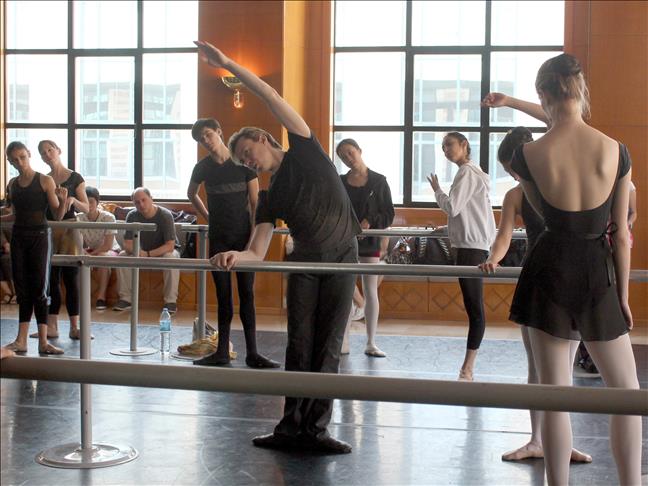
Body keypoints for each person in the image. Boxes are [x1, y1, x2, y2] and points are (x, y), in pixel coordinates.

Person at [196, 40, 360, 454]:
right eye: (242, 160)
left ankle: (316, 430)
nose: (247, 161)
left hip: (342, 259)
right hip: (305, 262)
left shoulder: (306, 149)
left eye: (247, 153)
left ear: (264, 138)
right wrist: (236, 255)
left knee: (328, 347)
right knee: (298, 345)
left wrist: (228, 62)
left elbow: (269, 94)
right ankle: (290, 428)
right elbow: (257, 249)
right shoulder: (270, 196)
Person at [504, 53, 640, 485]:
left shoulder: (527, 154)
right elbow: (621, 234)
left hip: (549, 269)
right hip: (598, 271)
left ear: (542, 94)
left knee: (554, 394)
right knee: (627, 395)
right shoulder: (616, 150)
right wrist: (622, 296)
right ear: (581, 90)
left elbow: (543, 213)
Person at [478, 126, 591, 463]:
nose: (515, 175)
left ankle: (560, 441)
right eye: (511, 170)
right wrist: (493, 258)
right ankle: (537, 440)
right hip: (537, 282)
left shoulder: (563, 184)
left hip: (571, 282)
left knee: (564, 368)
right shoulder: (516, 195)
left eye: (514, 167)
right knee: (537, 367)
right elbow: (503, 236)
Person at [187, 117, 279, 369]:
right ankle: (221, 352)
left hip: (243, 239)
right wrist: (208, 216)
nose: (206, 141)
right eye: (201, 139)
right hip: (218, 238)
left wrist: (252, 241)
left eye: (208, 135)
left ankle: (253, 353)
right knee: (223, 298)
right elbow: (191, 194)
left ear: (218, 131)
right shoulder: (202, 168)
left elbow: (255, 203)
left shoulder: (243, 164)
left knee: (247, 295)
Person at [427, 132, 496, 381]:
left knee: (474, 308)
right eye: (443, 147)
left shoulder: (466, 172)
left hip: (471, 249)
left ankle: (467, 368)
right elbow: (472, 212)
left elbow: (453, 207)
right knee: (473, 307)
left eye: (449, 145)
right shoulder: (474, 172)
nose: (445, 150)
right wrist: (447, 228)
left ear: (464, 145)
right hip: (473, 245)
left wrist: (437, 191)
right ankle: (468, 367)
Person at [1, 141, 67, 355]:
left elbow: (57, 215)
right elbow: (14, 215)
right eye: (15, 160)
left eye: (22, 157)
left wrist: (63, 201)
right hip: (19, 237)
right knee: (22, 288)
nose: (20, 162)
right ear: (10, 162)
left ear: (29, 154)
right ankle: (21, 340)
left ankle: (43, 341)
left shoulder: (45, 180)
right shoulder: (12, 184)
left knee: (39, 288)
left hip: (40, 237)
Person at [337, 138, 394, 357]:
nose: (348, 158)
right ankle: (343, 340)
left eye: (350, 152)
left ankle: (371, 342)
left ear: (359, 151)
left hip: (370, 241)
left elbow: (388, 213)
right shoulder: (341, 181)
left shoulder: (379, 181)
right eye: (343, 156)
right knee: (344, 290)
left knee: (371, 290)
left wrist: (370, 221)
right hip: (345, 241)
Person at [33, 139, 89, 340]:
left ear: (58, 150)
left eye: (50, 150)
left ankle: (75, 326)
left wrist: (72, 200)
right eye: (43, 152)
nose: (47, 155)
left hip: (70, 228)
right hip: (50, 228)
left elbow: (87, 207)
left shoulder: (75, 177)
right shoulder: (44, 179)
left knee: (71, 277)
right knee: (51, 279)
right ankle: (52, 325)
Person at [113, 188, 180, 313]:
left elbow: (170, 246)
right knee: (122, 256)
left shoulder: (165, 215)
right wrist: (139, 252)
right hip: (142, 251)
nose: (141, 205)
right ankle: (126, 299)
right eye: (137, 202)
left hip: (163, 252)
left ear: (151, 199)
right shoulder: (132, 215)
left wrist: (147, 254)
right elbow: (127, 244)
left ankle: (170, 301)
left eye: (144, 200)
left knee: (170, 257)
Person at [78, 186, 121, 310]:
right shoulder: (78, 218)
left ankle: (101, 298)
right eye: (85, 201)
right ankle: (81, 297)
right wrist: (83, 252)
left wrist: (91, 255)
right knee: (77, 259)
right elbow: (77, 243)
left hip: (110, 250)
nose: (88, 205)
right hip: (91, 250)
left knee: (102, 258)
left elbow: (107, 246)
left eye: (91, 201)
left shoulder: (108, 217)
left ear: (97, 202)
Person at [0, 219, 16, 304]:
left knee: (6, 259)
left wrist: (5, 244)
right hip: (3, 249)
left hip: (9, 248)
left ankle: (16, 293)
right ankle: (8, 293)